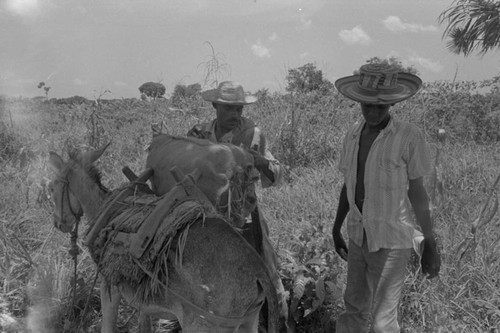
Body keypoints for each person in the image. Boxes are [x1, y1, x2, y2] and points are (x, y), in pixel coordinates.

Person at [331, 64, 441, 333]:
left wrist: (429, 240)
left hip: (391, 239)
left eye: (381, 107)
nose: (373, 112)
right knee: (354, 309)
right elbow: (349, 186)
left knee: (382, 322)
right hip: (359, 235)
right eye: (367, 105)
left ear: (392, 103)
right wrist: (336, 227)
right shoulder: (353, 135)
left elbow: (417, 192)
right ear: (359, 101)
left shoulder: (408, 136)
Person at [187, 80, 288, 327]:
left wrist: (259, 161)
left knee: (263, 274)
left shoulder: (252, 134)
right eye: (228, 109)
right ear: (215, 106)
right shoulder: (198, 134)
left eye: (239, 109)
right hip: (206, 216)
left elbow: (277, 172)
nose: (235, 114)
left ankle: (276, 322)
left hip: (243, 215)